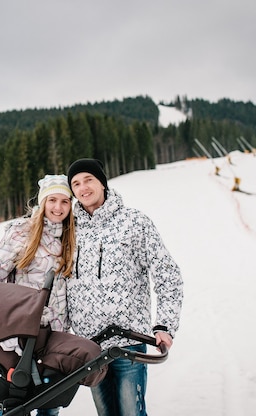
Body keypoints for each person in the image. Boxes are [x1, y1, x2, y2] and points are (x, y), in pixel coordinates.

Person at [66, 158, 184, 416]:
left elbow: (167, 273)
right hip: (90, 347)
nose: (83, 188)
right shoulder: (69, 231)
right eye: (76, 183)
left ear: (103, 184)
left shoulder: (134, 222)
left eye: (89, 180)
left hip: (129, 343)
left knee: (131, 412)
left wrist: (164, 325)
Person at [0, 174, 75, 416]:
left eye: (65, 201)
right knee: (16, 404)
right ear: (43, 201)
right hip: (21, 336)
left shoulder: (72, 237)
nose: (58, 208)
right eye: (52, 200)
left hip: (54, 338)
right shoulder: (21, 233)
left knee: (50, 405)